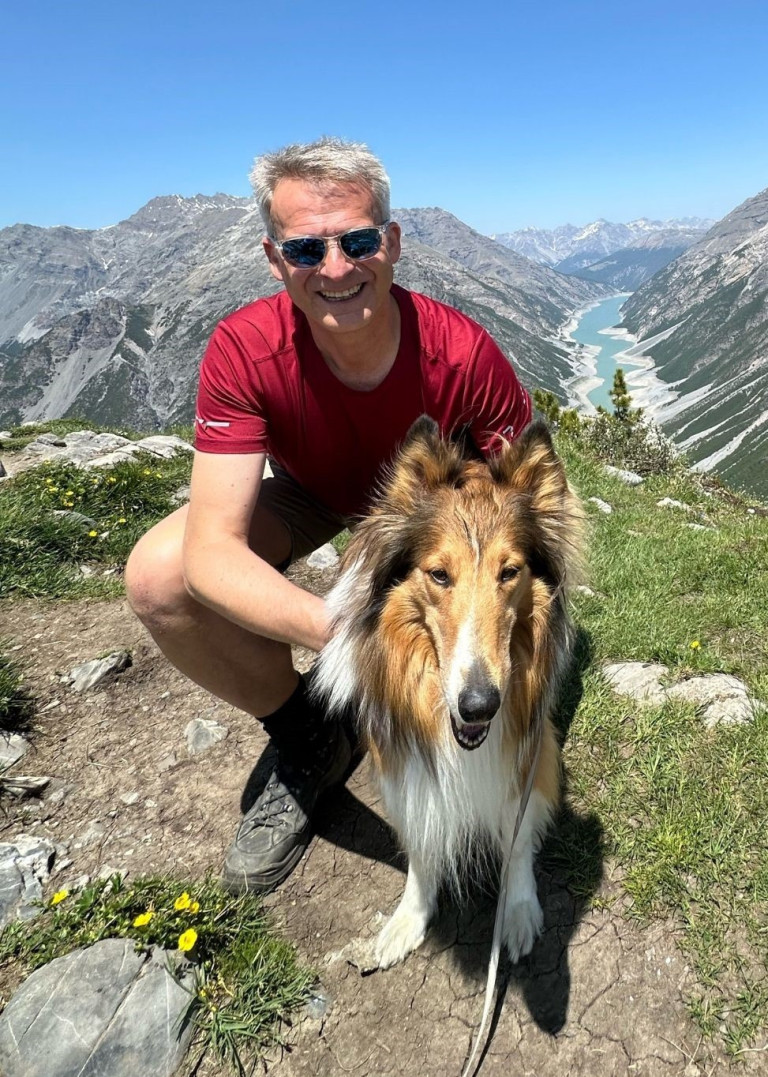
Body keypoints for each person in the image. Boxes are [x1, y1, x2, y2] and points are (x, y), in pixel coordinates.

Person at [125, 136, 532, 895]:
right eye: (307, 248)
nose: (337, 267)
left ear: (393, 244)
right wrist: (350, 640)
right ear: (276, 260)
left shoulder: (463, 354)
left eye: (358, 240)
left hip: (430, 520)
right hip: (314, 492)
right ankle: (309, 733)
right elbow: (210, 549)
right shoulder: (243, 351)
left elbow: (534, 505)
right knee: (158, 575)